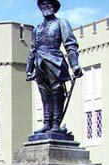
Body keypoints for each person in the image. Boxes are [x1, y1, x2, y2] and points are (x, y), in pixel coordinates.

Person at [26, 0, 83, 134]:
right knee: (44, 93)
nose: (47, 7)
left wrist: (74, 65)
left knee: (57, 91)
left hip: (55, 61)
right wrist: (29, 70)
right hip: (39, 63)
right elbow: (33, 50)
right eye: (44, 4)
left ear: (55, 7)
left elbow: (70, 44)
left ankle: (56, 123)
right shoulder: (37, 28)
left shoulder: (61, 22)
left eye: (50, 4)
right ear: (40, 8)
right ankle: (47, 123)